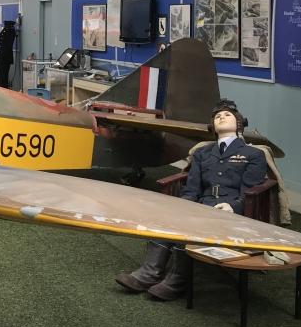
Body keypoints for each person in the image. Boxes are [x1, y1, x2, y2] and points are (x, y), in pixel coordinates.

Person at [115, 99, 269, 301]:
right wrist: (184, 206)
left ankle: (177, 281)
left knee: (190, 229)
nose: (222, 117)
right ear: (212, 125)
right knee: (167, 222)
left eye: (227, 115)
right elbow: (192, 188)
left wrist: (233, 206)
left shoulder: (254, 154)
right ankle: (149, 274)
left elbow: (249, 191)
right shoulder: (202, 153)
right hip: (202, 205)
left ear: (239, 122)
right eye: (217, 116)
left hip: (229, 210)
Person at [0, 20, 16, 88]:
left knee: (4, 73)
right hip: (1, 55)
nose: (5, 26)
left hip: (6, 56)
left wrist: (2, 55)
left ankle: (3, 86)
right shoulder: (5, 30)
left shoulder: (11, 32)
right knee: (0, 72)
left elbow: (8, 45)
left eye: (7, 25)